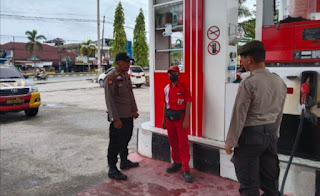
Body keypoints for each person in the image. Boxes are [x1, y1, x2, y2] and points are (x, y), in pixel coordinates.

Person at [225, 40, 287, 196]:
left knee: (249, 185)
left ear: (249, 60)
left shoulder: (249, 83)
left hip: (251, 138)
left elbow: (239, 115)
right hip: (271, 135)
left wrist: (230, 141)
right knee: (270, 183)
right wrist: (275, 133)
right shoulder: (279, 81)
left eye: (242, 58)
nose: (241, 62)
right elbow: (280, 112)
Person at [104, 52, 140, 180]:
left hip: (128, 115)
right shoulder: (111, 77)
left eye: (129, 62)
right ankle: (112, 169)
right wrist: (115, 119)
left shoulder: (125, 75)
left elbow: (130, 95)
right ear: (118, 63)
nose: (129, 64)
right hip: (119, 118)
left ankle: (124, 161)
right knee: (115, 144)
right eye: (126, 62)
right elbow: (110, 100)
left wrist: (134, 110)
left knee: (126, 139)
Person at [161, 65, 192, 183]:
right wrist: (163, 119)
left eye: (174, 73)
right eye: (170, 73)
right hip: (169, 119)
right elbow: (165, 104)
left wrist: (186, 120)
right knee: (173, 142)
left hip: (180, 119)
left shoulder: (184, 88)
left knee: (183, 143)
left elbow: (188, 103)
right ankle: (177, 163)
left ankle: (186, 168)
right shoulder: (166, 88)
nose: (171, 76)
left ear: (178, 75)